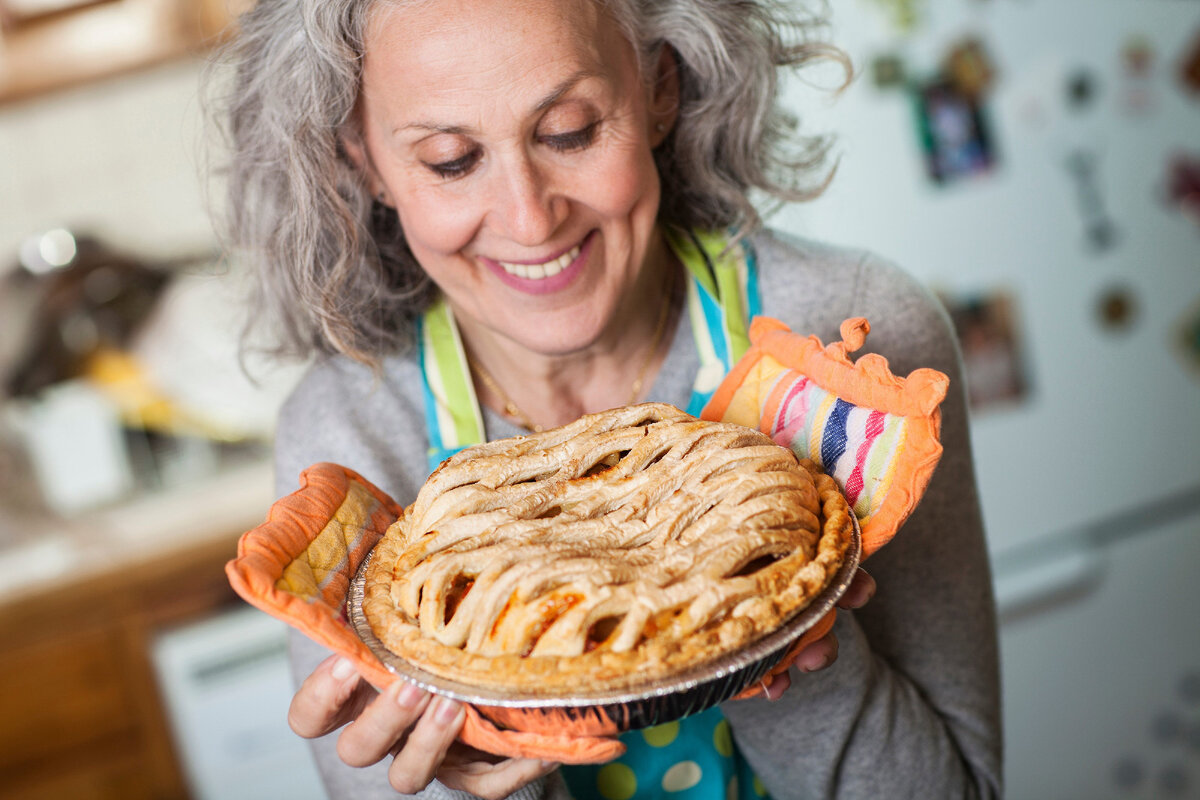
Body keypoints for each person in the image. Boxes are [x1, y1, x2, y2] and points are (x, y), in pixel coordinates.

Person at [214, 0, 1003, 798]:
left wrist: (774, 630)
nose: (530, 220)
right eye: (452, 160)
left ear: (659, 87)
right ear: (364, 160)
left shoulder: (851, 351)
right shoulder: (349, 431)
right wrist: (486, 770)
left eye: (571, 131)